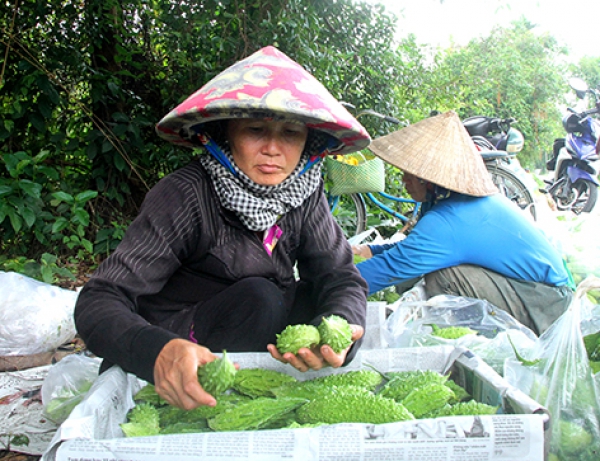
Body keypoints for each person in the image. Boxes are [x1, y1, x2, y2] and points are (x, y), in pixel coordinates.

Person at [74, 46, 371, 410]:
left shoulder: (304, 194)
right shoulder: (185, 194)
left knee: (317, 302)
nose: (274, 149)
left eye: (291, 133)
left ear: (309, 143)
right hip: (184, 341)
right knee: (260, 299)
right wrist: (155, 351)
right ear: (224, 134)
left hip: (257, 326)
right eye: (256, 129)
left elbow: (340, 275)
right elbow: (99, 299)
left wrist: (342, 327)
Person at [352, 111, 573, 336]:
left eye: (410, 174)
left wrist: (323, 284)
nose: (403, 180)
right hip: (541, 290)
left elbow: (391, 267)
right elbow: (412, 247)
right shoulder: (453, 205)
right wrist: (368, 250)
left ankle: (471, 343)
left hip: (547, 303)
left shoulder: (449, 221)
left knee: (444, 278)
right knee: (429, 269)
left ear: (429, 179)